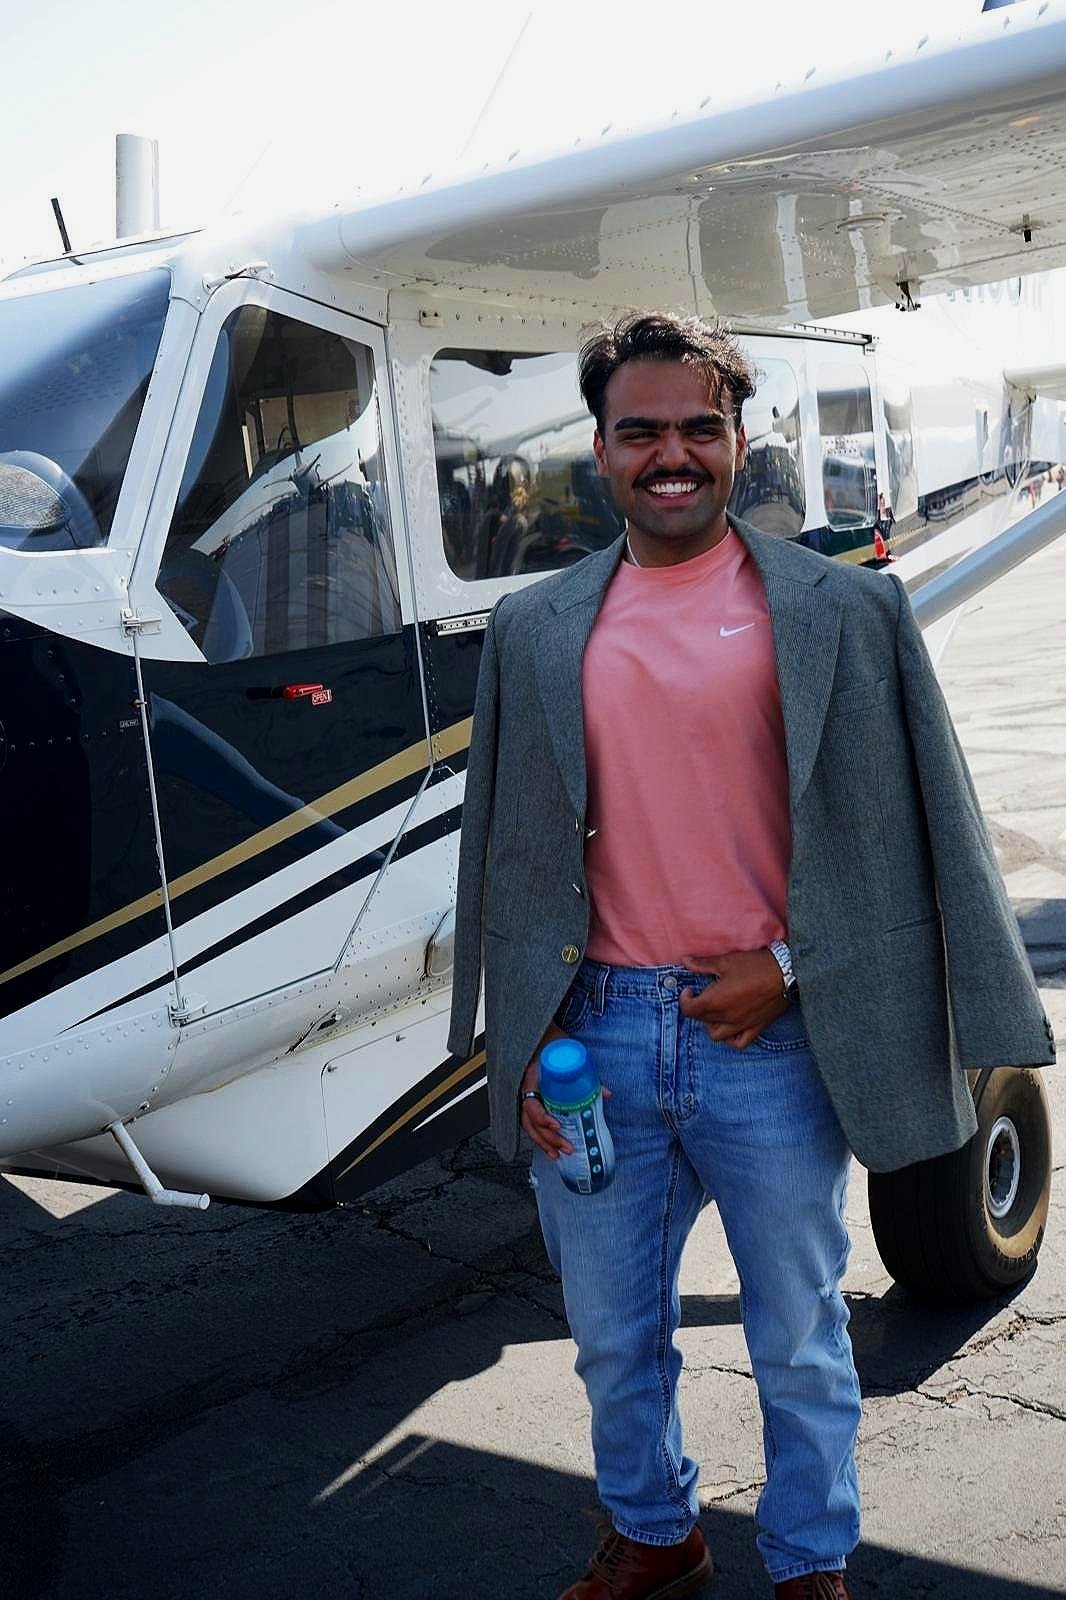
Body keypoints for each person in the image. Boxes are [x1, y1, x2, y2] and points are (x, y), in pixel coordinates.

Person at [448, 313, 1054, 1600]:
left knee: (799, 1335)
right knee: (612, 1336)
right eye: (640, 432)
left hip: (770, 1031)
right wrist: (510, 1056)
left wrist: (790, 965)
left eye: (698, 429)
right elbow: (504, 856)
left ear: (738, 440)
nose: (671, 455)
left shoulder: (845, 610)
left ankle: (810, 1558)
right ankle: (656, 1532)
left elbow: (911, 835)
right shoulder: (536, 627)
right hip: (593, 1037)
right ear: (600, 450)